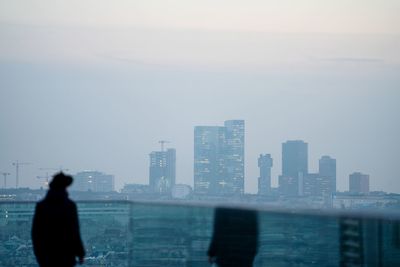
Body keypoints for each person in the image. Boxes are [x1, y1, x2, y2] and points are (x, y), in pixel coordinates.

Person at [32, 172, 85, 267]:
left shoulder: (42, 206)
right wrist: (80, 253)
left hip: (47, 253)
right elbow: (74, 232)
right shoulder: (70, 206)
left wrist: (39, 254)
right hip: (66, 253)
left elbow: (36, 233)